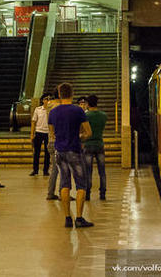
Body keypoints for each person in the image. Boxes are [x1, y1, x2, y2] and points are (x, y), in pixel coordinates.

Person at [49, 82, 93, 228]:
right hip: (74, 150)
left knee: (64, 183)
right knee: (81, 185)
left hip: (59, 152)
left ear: (60, 94)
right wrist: (79, 137)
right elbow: (88, 132)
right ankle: (79, 218)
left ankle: (67, 218)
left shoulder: (53, 112)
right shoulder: (78, 111)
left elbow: (52, 134)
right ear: (72, 94)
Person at [82, 94, 107, 201]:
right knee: (102, 171)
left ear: (88, 104)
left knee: (88, 171)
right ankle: (102, 193)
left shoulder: (85, 115)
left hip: (88, 145)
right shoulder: (103, 115)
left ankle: (87, 194)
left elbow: (83, 130)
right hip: (100, 144)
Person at [30, 93, 51, 177]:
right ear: (43, 100)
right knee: (36, 152)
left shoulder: (52, 110)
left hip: (48, 133)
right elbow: (33, 122)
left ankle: (46, 170)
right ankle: (35, 170)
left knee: (47, 153)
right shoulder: (38, 109)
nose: (47, 101)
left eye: (49, 99)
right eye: (46, 99)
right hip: (39, 132)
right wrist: (32, 134)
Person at [46, 89, 61, 200]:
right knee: (62, 169)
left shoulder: (49, 106)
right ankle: (61, 192)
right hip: (58, 140)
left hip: (50, 140)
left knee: (55, 169)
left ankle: (51, 192)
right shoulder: (59, 107)